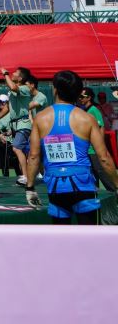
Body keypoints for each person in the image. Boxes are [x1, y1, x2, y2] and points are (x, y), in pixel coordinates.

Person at [27, 69, 118, 224]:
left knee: (62, 241)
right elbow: (103, 158)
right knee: (89, 239)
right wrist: (116, 185)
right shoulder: (87, 118)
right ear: (77, 91)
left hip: (56, 186)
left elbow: (34, 156)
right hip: (83, 186)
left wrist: (30, 188)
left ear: (54, 89)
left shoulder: (40, 118)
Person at [1, 66, 33, 184]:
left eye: (15, 72)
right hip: (16, 125)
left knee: (16, 148)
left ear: (20, 78)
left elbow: (13, 87)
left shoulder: (24, 88)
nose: (12, 73)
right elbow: (8, 108)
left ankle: (25, 176)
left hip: (23, 124)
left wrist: (5, 74)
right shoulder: (13, 91)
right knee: (22, 151)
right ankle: (27, 175)